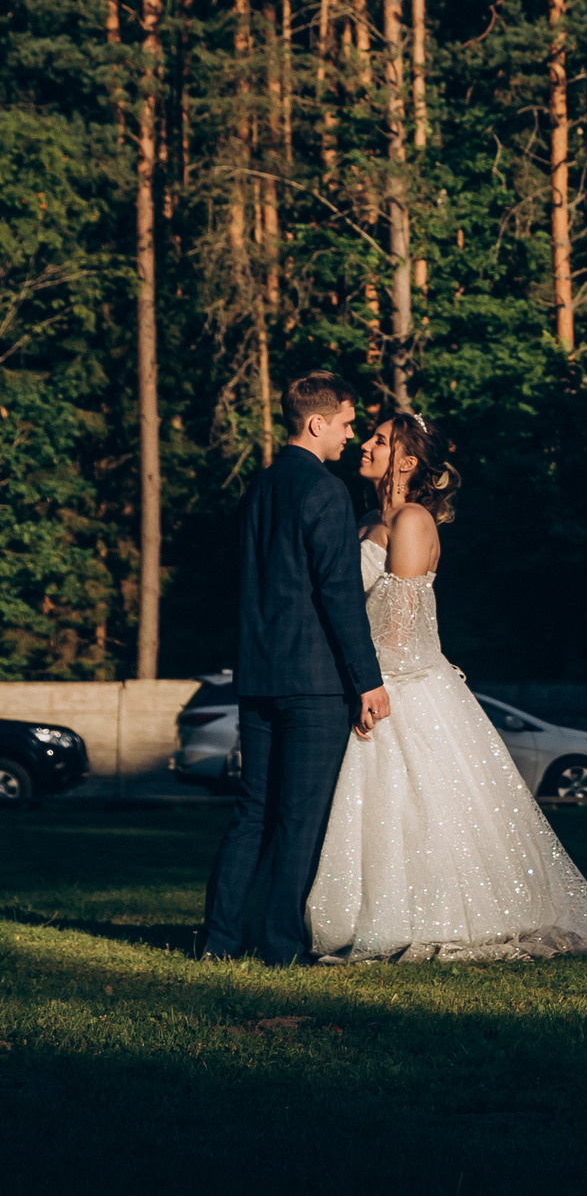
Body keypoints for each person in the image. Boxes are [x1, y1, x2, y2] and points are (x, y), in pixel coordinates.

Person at [302, 411, 587, 962]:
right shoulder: (370, 517)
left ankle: (432, 916)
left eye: (379, 440)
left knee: (424, 809)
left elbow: (399, 627)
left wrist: (367, 684)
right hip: (370, 680)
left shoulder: (412, 520)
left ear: (408, 460)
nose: (364, 446)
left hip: (400, 685)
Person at [201, 371, 390, 965]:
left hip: (257, 677)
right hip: (313, 683)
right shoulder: (326, 489)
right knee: (300, 818)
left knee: (251, 813)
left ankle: (219, 942)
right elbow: (337, 592)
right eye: (346, 423)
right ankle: (282, 948)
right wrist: (368, 678)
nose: (350, 434)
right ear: (317, 422)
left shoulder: (258, 487)